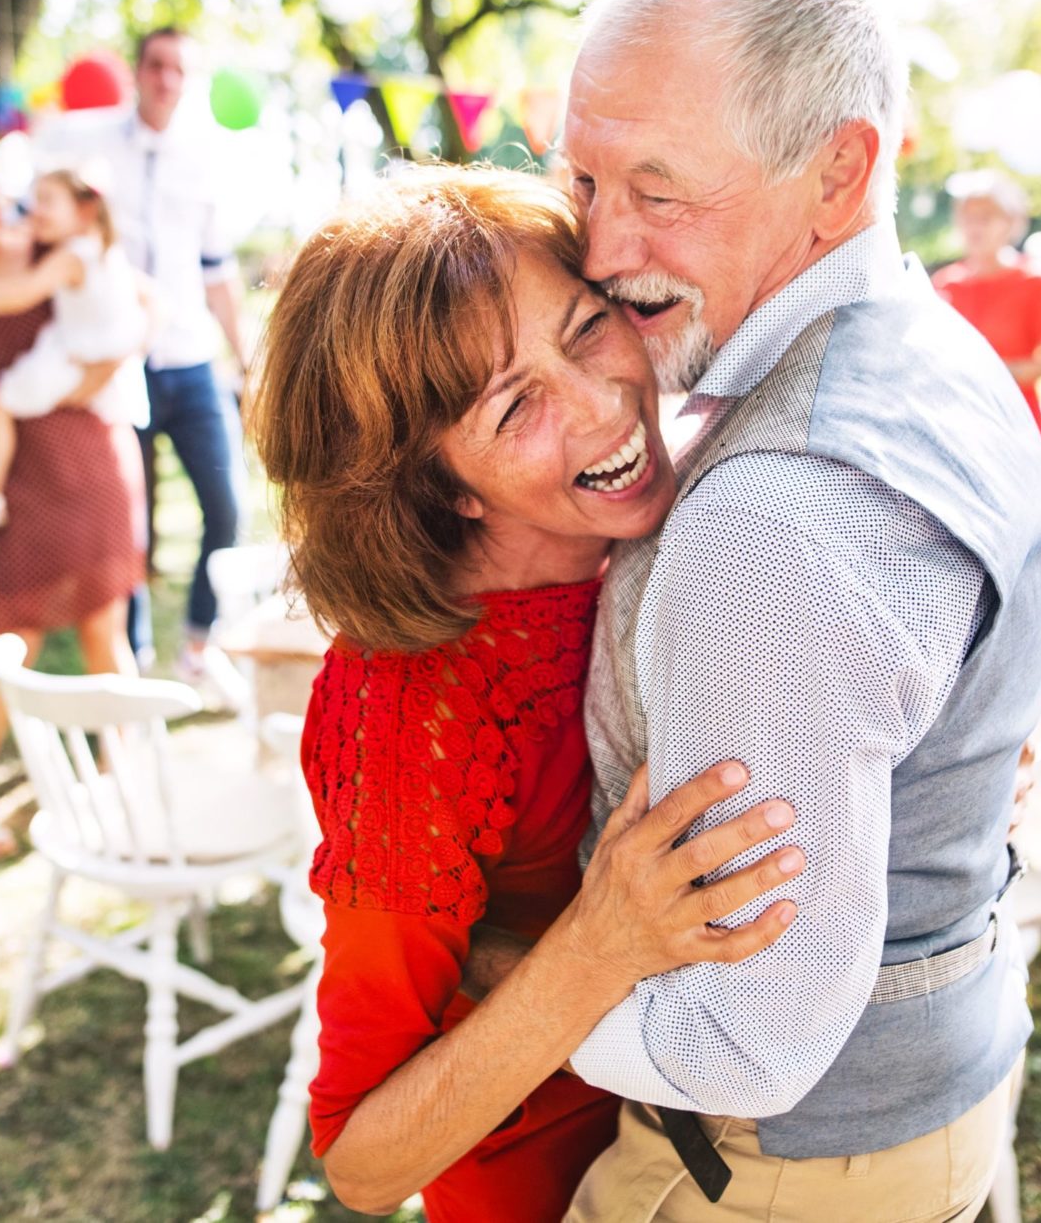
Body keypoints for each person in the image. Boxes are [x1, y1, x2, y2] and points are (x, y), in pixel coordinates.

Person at [553, 0, 1041, 1223]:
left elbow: (748, 1037)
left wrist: (518, 1001)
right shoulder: (934, 344)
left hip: (769, 1166)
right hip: (923, 1099)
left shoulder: (776, 518)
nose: (603, 248)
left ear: (839, 172)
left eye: (658, 192)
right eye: (584, 178)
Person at [247, 167, 803, 1221]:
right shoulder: (420, 710)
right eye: (516, 406)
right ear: (442, 482)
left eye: (589, 326)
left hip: (717, 1149)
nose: (602, 404)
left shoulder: (632, 531)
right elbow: (360, 1160)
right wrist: (599, 946)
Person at [0, 139, 147, 859]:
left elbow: (133, 309)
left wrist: (95, 376)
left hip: (88, 459)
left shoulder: (53, 250)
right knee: (11, 642)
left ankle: (124, 774)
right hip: (12, 477)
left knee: (105, 629)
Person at [79, 28, 248, 684]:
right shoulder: (96, 152)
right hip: (120, 365)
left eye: (179, 69)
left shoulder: (203, 161)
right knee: (127, 522)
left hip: (190, 362)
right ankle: (133, 653)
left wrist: (248, 355)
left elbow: (217, 269)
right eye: (156, 66)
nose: (166, 79)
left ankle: (200, 643)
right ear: (137, 72)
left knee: (226, 503)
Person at [0, 168, 149, 542]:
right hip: (85, 354)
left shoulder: (72, 256)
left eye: (47, 201)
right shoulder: (101, 249)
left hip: (73, 357)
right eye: (33, 201)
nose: (34, 210)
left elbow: (23, 292)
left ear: (83, 211)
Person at [933, 171, 1041, 490]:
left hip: (1014, 422)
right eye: (967, 218)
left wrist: (998, 373)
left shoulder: (1036, 280)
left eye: (985, 217)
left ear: (1011, 222)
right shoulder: (945, 283)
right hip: (959, 423)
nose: (975, 226)